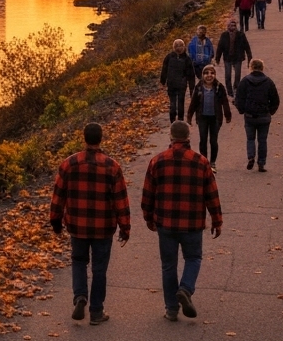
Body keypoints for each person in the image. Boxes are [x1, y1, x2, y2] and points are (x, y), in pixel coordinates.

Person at [50, 122, 131, 326]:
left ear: (84, 138)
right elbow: (121, 200)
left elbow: (58, 196)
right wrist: (125, 226)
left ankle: (80, 297)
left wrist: (56, 222)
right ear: (101, 138)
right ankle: (96, 311)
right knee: (99, 269)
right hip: (103, 227)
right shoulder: (112, 166)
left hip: (77, 226)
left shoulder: (69, 164)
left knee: (78, 262)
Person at [142, 121, 223, 322]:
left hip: (166, 223)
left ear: (170, 136)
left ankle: (171, 309)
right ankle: (185, 288)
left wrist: (148, 217)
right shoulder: (201, 162)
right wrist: (216, 220)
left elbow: (147, 194)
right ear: (188, 136)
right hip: (192, 223)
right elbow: (211, 194)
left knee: (168, 266)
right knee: (193, 258)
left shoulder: (157, 161)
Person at [233, 58, 281, 172]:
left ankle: (251, 157)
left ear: (251, 67)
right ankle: (261, 163)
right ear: (262, 68)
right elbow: (275, 100)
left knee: (250, 138)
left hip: (250, 115)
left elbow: (239, 98)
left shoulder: (245, 81)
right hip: (264, 116)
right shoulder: (268, 82)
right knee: (262, 140)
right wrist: (270, 111)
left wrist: (242, 110)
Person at [187, 65, 231, 167]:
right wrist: (189, 115)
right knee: (203, 139)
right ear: (202, 75)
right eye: (206, 73)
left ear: (215, 75)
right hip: (202, 117)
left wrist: (227, 114)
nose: (209, 75)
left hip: (215, 118)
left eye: (212, 73)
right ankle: (204, 161)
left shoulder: (219, 87)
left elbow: (225, 102)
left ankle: (212, 162)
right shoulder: (198, 87)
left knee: (213, 140)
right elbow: (193, 103)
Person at [159, 39, 197, 123]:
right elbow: (164, 69)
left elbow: (191, 75)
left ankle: (180, 121)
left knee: (180, 104)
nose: (179, 48)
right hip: (171, 84)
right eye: (177, 46)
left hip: (181, 85)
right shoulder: (169, 57)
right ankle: (172, 121)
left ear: (184, 47)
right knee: (172, 106)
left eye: (181, 46)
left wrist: (192, 88)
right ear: (173, 47)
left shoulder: (187, 59)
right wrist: (163, 81)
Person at [215, 19, 252, 97]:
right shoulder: (224, 35)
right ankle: (229, 91)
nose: (233, 27)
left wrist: (250, 58)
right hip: (227, 58)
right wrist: (217, 58)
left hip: (238, 57)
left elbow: (247, 47)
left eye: (234, 25)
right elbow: (220, 47)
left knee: (237, 75)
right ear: (228, 26)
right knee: (228, 75)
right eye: (231, 25)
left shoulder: (241, 35)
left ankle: (236, 88)